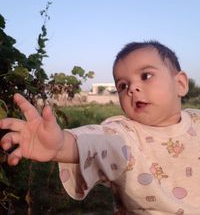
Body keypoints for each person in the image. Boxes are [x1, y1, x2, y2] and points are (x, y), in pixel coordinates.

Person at [0, 40, 200, 215]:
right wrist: (59, 145)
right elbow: (94, 142)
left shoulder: (197, 119)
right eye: (122, 85)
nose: (132, 88)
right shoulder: (122, 135)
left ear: (181, 84)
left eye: (146, 76)